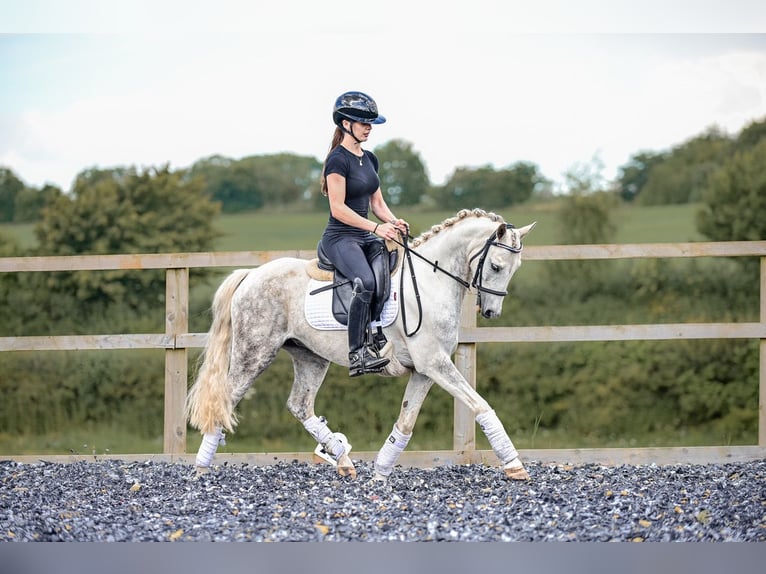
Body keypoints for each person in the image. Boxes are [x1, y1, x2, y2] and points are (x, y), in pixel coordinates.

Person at [319, 91, 409, 377]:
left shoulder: (370, 159)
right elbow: (337, 208)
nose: (368, 127)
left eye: (371, 123)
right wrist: (376, 227)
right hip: (340, 238)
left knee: (386, 274)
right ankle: (357, 353)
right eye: (363, 122)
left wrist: (394, 223)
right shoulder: (337, 160)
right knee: (366, 281)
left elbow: (377, 203)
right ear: (346, 124)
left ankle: (378, 336)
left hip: (365, 237)